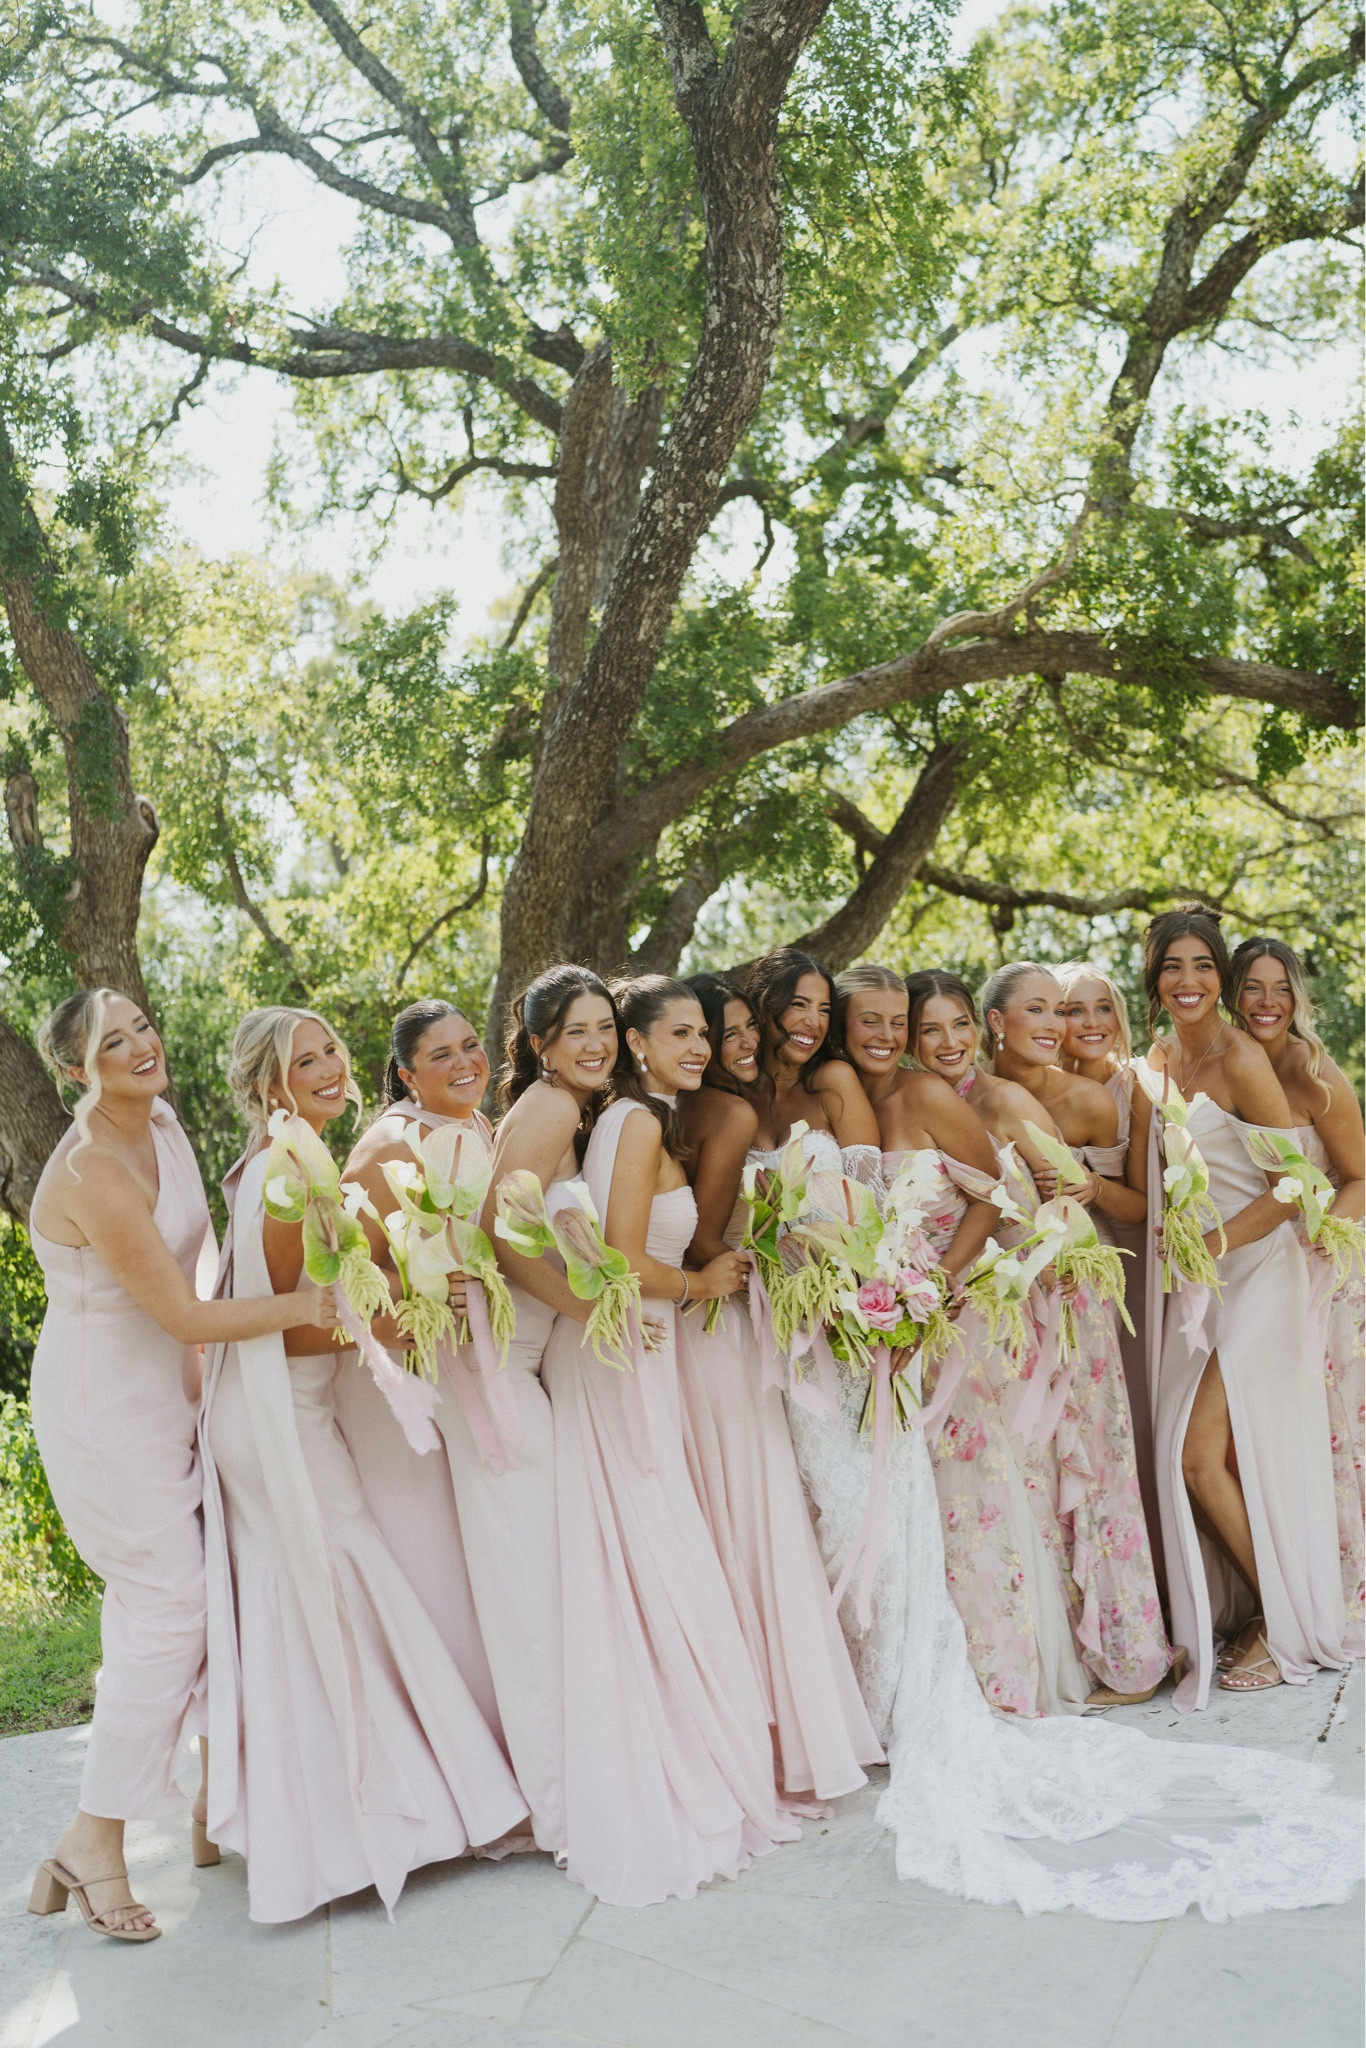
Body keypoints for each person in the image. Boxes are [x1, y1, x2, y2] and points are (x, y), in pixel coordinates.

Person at [200, 1005, 527, 1923]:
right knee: (332, 1576)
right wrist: (410, 1319)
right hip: (275, 1419)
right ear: (266, 1083)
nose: (330, 1068)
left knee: (326, 1586)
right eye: (305, 1060)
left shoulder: (296, 1156)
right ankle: (360, 1823)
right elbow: (295, 1324)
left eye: (332, 1050)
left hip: (291, 1406)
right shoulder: (287, 1171)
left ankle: (335, 1811)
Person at [26, 990, 334, 1944]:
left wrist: (214, 1397)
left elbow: (201, 1276)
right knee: (171, 1607)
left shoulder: (162, 1124)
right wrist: (308, 1307)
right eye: (111, 1043)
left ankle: (214, 1805)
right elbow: (183, 1312)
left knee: (203, 1591)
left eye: (142, 1027)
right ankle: (93, 1842)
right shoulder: (89, 1169)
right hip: (102, 1412)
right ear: (78, 1071)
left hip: (175, 1394)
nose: (141, 1047)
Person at [536, 972, 794, 1904]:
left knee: (647, 1543)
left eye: (702, 1034)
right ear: (638, 1043)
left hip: (631, 1347)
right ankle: (669, 1755)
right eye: (677, 1033)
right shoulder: (637, 1123)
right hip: (623, 1351)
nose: (698, 1047)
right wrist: (701, 1284)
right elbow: (620, 1258)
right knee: (648, 1541)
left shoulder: (633, 1120)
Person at [343, 997, 562, 1850]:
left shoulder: (479, 1125)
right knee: (515, 1573)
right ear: (406, 1073)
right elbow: (358, 1285)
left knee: (531, 1567)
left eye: (472, 1045)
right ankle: (544, 1789)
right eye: (442, 1055)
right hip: (466, 1385)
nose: (466, 1061)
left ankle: (547, 1758)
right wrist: (434, 1295)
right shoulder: (389, 1145)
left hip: (515, 1363)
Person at [841, 964, 1078, 1720]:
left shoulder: (927, 1096)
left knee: (975, 1496)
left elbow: (993, 1197)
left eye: (898, 1024)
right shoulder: (844, 1102)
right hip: (888, 1326)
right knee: (926, 1504)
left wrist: (937, 1290)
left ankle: (1004, 1678)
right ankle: (934, 1668)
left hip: (959, 1316)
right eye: (880, 1023)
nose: (890, 1037)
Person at [675, 972, 883, 1801]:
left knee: (846, 1503)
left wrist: (868, 1295)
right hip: (756, 1328)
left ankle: (860, 1693)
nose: (808, 1022)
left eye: (823, 1009)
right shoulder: (716, 1111)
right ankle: (814, 1704)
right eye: (793, 1006)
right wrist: (765, 1270)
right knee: (793, 1512)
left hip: (837, 1320)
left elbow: (868, 1205)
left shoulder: (822, 1087)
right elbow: (702, 1236)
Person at [1137, 906, 1349, 1705]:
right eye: (1172, 966)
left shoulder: (1242, 1059)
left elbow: (1295, 1186)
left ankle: (1281, 1621)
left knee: (1198, 1455)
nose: (1187, 980)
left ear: (1218, 977)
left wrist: (1212, 1243)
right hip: (1199, 1282)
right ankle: (1252, 1605)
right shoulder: (1158, 1060)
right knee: (1197, 1458)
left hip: (1259, 1269)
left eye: (1202, 966)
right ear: (1154, 979)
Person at [978, 961, 1172, 1705]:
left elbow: (1132, 1204)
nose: (1058, 1025)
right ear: (996, 1022)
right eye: (1040, 1010)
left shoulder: (1083, 1099)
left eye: (1059, 1011)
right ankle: (1057, 1638)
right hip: (1005, 1303)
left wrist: (1089, 1192)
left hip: (1075, 1288)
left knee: (1096, 1460)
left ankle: (1128, 1650)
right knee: (1035, 1471)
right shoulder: (967, 1091)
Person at [1227, 934, 1364, 1658]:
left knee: (1328, 1427)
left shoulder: (1314, 1073)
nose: (1267, 1001)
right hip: (1249, 1268)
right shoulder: (1224, 1063)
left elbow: (1359, 1177)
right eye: (1253, 986)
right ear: (1232, 994)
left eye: (1281, 988)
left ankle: (1332, 1585)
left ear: (1297, 998)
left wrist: (1321, 1243)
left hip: (1322, 1270)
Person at [1057, 960, 1162, 1582]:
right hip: (1059, 1267)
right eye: (1075, 1010)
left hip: (1128, 1261)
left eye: (1103, 1008)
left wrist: (1090, 1186)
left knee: (1136, 1413)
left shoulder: (1135, 1088)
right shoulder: (1030, 1086)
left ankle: (1153, 1567)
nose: (1091, 1022)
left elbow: (1142, 1204)